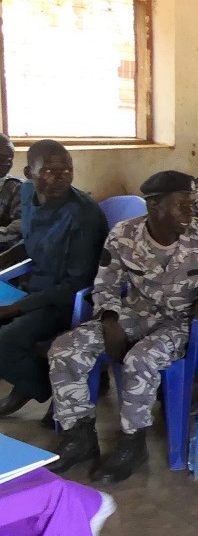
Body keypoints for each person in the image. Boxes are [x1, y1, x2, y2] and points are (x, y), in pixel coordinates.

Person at [44, 170, 198, 484]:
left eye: (192, 202)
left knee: (139, 360)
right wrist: (109, 321)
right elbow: (105, 284)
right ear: (154, 207)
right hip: (134, 313)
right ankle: (78, 436)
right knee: (65, 348)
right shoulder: (123, 234)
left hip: (183, 323)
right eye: (181, 204)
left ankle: (133, 443)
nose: (191, 210)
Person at [0, 141, 107, 418]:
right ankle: (29, 383)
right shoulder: (26, 194)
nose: (60, 178)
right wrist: (4, 259)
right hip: (33, 288)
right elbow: (33, 238)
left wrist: (16, 308)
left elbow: (78, 283)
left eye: (67, 170)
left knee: (5, 341)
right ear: (28, 173)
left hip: (64, 301)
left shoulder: (84, 214)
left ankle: (49, 388)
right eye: (48, 171)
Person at [0, 134, 23, 248]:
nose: (8, 163)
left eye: (10, 159)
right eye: (2, 158)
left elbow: (19, 226)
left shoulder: (16, 186)